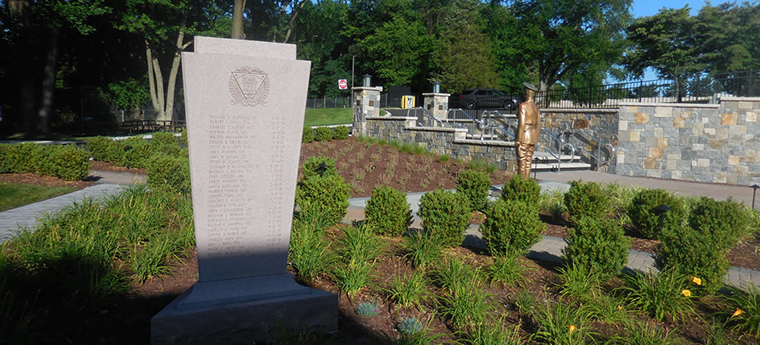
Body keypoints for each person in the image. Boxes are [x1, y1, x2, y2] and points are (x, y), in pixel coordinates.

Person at [516, 82, 540, 179]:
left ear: (526, 92)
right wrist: (536, 137)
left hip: (525, 136)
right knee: (528, 161)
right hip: (533, 136)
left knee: (522, 161)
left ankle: (521, 184)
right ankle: (526, 183)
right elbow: (539, 125)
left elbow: (521, 124)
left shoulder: (523, 106)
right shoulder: (536, 107)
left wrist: (518, 138)